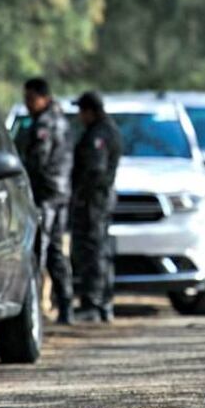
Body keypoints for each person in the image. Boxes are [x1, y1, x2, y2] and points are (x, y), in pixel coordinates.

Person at [20, 78, 76, 325]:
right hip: (60, 193)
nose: (27, 104)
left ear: (43, 97)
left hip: (45, 194)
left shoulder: (45, 123)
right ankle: (65, 307)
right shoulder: (62, 119)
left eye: (30, 99)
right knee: (55, 252)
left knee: (39, 251)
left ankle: (32, 312)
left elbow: (38, 161)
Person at [70, 91, 123, 323]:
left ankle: (93, 303)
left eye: (82, 111)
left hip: (93, 200)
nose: (80, 116)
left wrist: (81, 195)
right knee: (99, 249)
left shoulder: (99, 134)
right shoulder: (107, 129)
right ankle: (103, 303)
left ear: (90, 111)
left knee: (92, 250)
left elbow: (95, 169)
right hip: (99, 199)